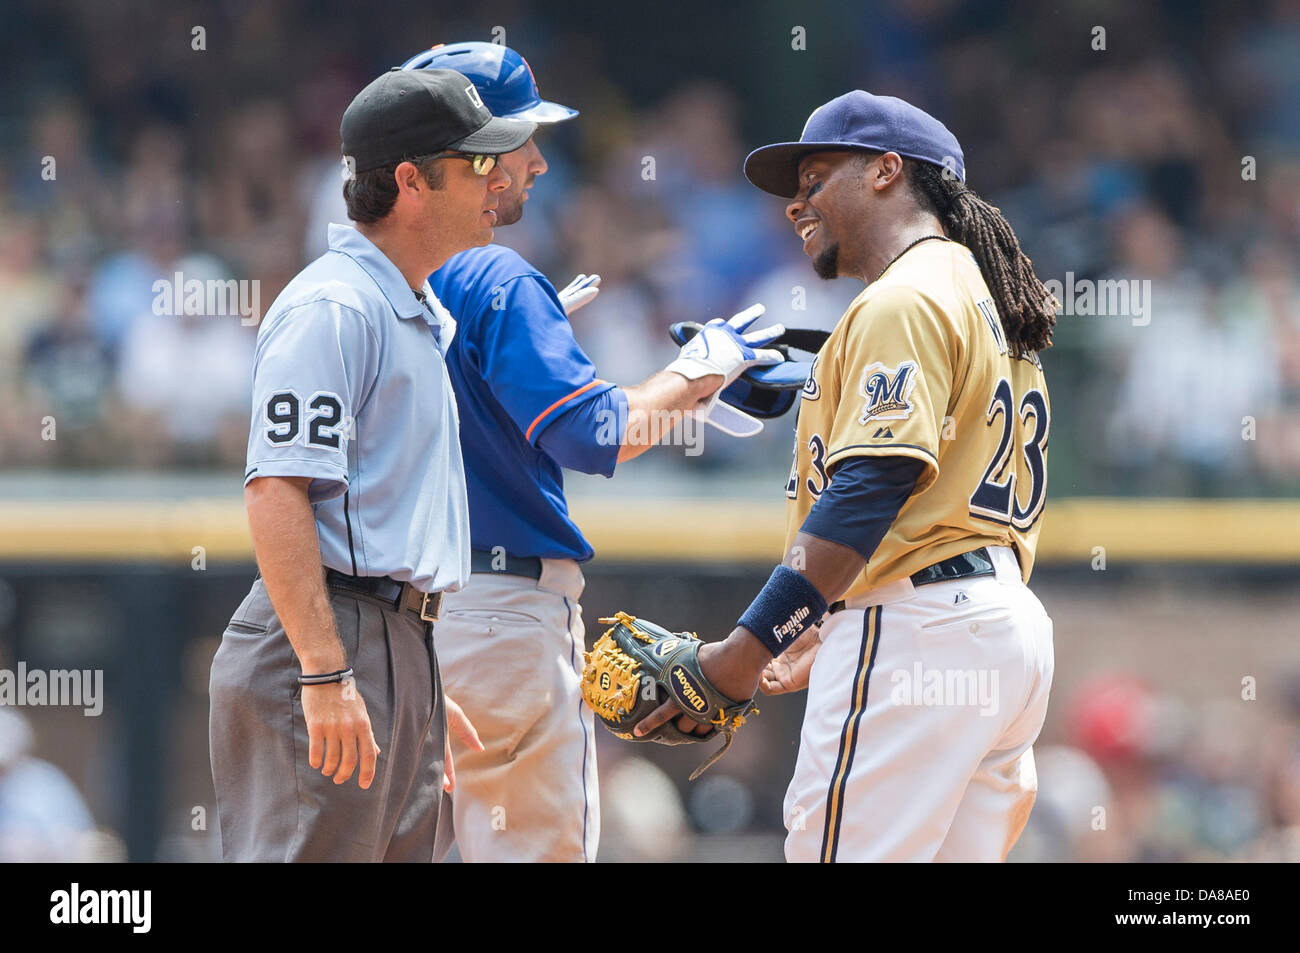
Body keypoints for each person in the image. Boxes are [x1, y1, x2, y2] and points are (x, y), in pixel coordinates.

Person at [635, 91, 1059, 862]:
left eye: (817, 174)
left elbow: (872, 483)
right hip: (999, 631)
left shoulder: (901, 297)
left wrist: (744, 652)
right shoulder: (980, 297)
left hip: (917, 629)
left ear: (887, 171)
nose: (797, 202)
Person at [410, 42, 783, 862]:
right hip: (500, 618)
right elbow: (595, 434)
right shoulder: (496, 278)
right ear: (467, 158)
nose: (538, 163)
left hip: (394, 627)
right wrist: (694, 371)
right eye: (518, 142)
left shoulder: (369, 285)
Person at [208, 68, 535, 862]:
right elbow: (277, 491)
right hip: (324, 637)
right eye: (477, 164)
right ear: (412, 181)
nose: (497, 179)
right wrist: (326, 673)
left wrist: (415, 681)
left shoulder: (413, 307)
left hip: (395, 641)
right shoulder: (337, 305)